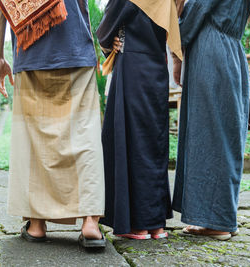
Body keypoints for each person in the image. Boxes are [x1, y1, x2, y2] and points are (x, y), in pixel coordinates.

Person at [0, 0, 106, 248]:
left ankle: (37, 224)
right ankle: (90, 223)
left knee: (34, 141)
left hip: (30, 50)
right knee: (85, 135)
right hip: (76, 47)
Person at [172, 0, 250, 240]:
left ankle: (219, 220)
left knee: (212, 134)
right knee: (217, 133)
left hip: (211, 50)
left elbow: (198, 8)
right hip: (228, 49)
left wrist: (175, 44)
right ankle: (209, 217)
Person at [96, 0, 183, 239]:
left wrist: (107, 42)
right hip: (156, 66)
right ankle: (155, 224)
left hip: (132, 66)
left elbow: (105, 28)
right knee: (152, 142)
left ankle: (137, 224)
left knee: (131, 139)